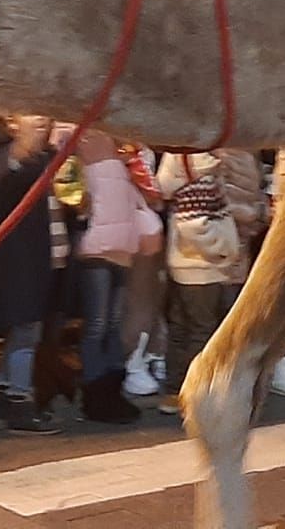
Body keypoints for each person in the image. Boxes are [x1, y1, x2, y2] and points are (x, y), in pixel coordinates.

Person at [154, 148, 267, 415]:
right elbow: (245, 206)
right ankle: (202, 394)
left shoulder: (184, 158)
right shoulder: (229, 160)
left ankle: (176, 391)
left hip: (187, 255)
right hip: (218, 257)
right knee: (208, 329)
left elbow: (164, 188)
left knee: (185, 326)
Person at [0, 115, 64, 434]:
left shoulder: (49, 157)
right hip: (19, 260)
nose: (42, 119)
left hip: (48, 257)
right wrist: (16, 154)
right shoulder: (6, 157)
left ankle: (3, 390)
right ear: (13, 125)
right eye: (32, 116)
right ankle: (19, 402)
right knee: (26, 329)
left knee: (28, 329)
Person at [73, 129, 162, 423]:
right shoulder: (77, 143)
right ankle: (96, 393)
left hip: (121, 247)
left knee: (111, 322)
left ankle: (111, 390)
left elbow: (139, 199)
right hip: (98, 249)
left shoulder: (125, 152)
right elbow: (75, 197)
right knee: (98, 323)